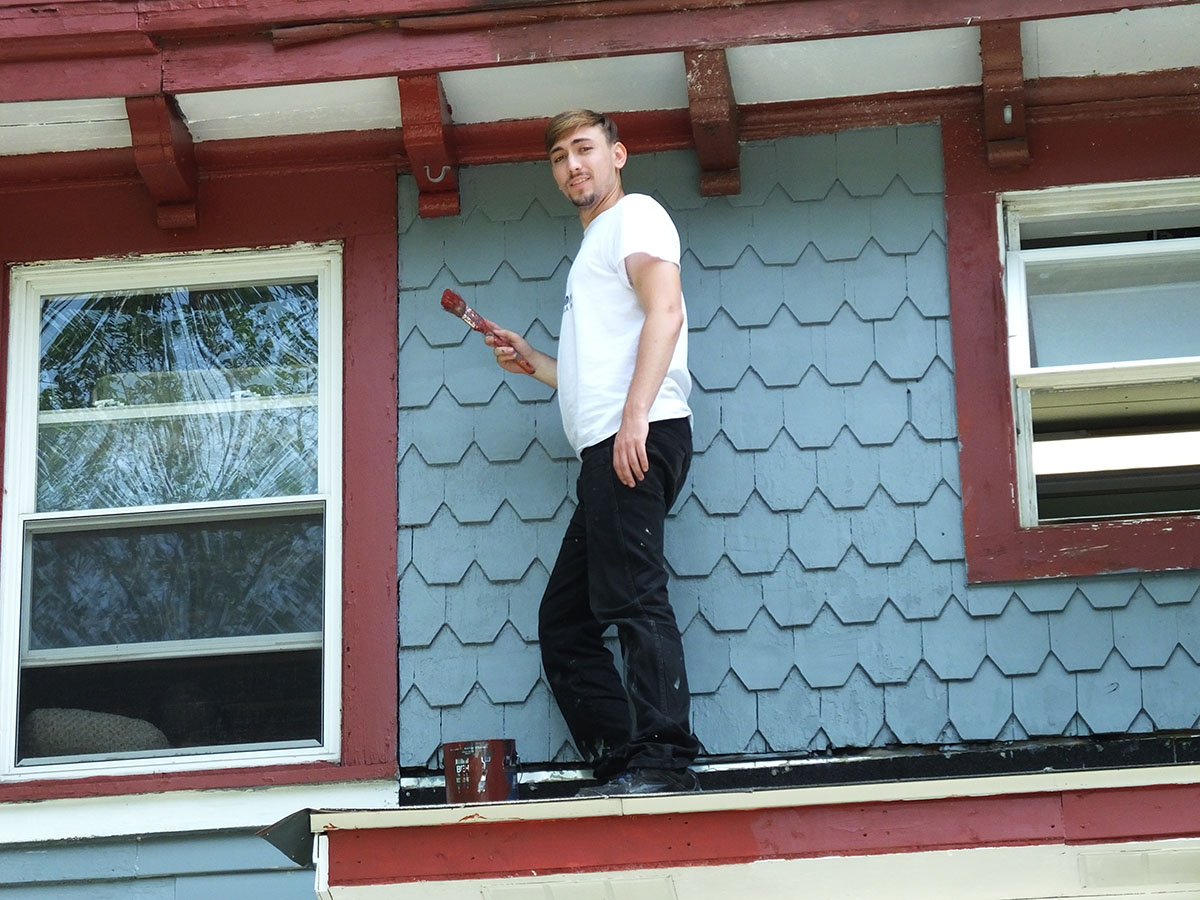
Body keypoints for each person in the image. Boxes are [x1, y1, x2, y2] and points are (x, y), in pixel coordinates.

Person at [483, 109, 700, 795]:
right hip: (609, 442)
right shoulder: (596, 246)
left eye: (584, 150)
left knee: (634, 598)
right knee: (567, 623)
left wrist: (636, 414)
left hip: (635, 434)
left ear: (618, 155)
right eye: (559, 156)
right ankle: (622, 763)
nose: (572, 165)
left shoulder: (634, 216)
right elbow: (598, 368)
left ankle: (664, 762)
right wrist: (536, 362)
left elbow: (666, 310)